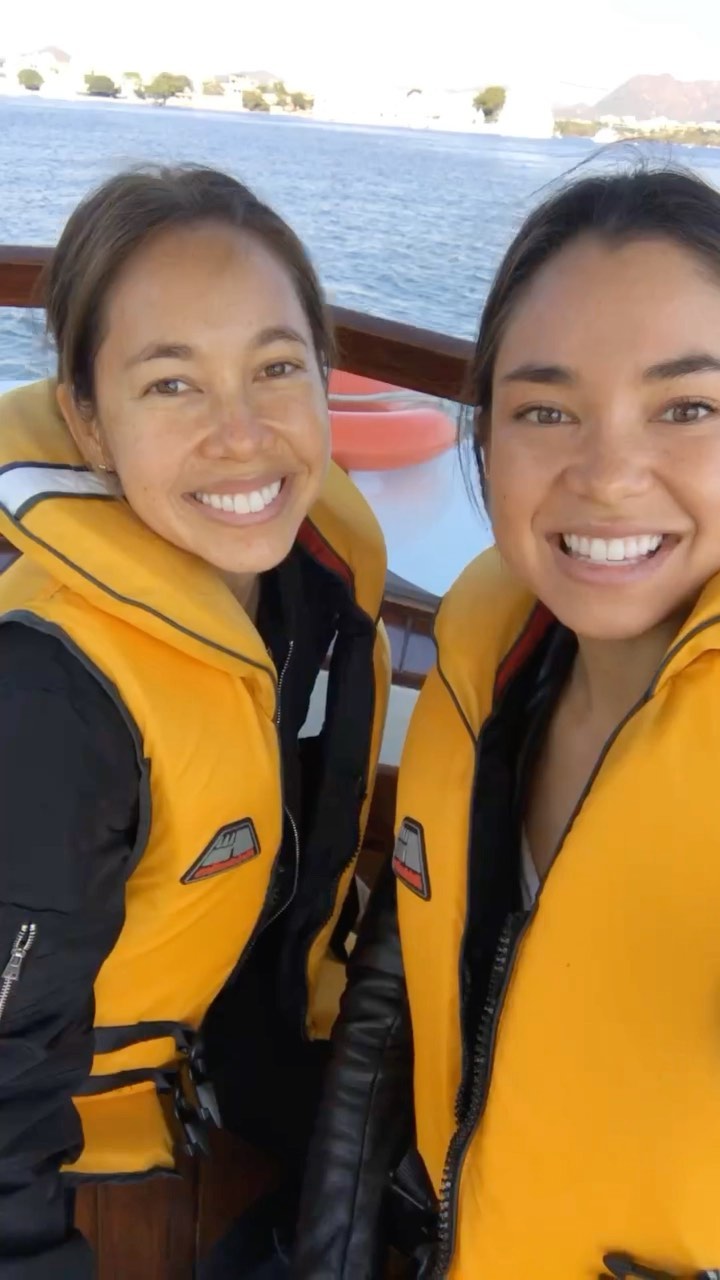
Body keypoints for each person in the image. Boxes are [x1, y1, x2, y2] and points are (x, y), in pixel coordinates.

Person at [293, 165, 720, 1280]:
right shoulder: (490, 668)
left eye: (688, 408)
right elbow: (397, 1000)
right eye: (545, 409)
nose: (609, 475)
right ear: (486, 437)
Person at [0, 165, 390, 1278]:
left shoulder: (306, 579)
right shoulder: (51, 698)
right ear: (89, 421)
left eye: (276, 367)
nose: (242, 433)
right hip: (91, 1154)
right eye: (172, 384)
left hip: (250, 1040)